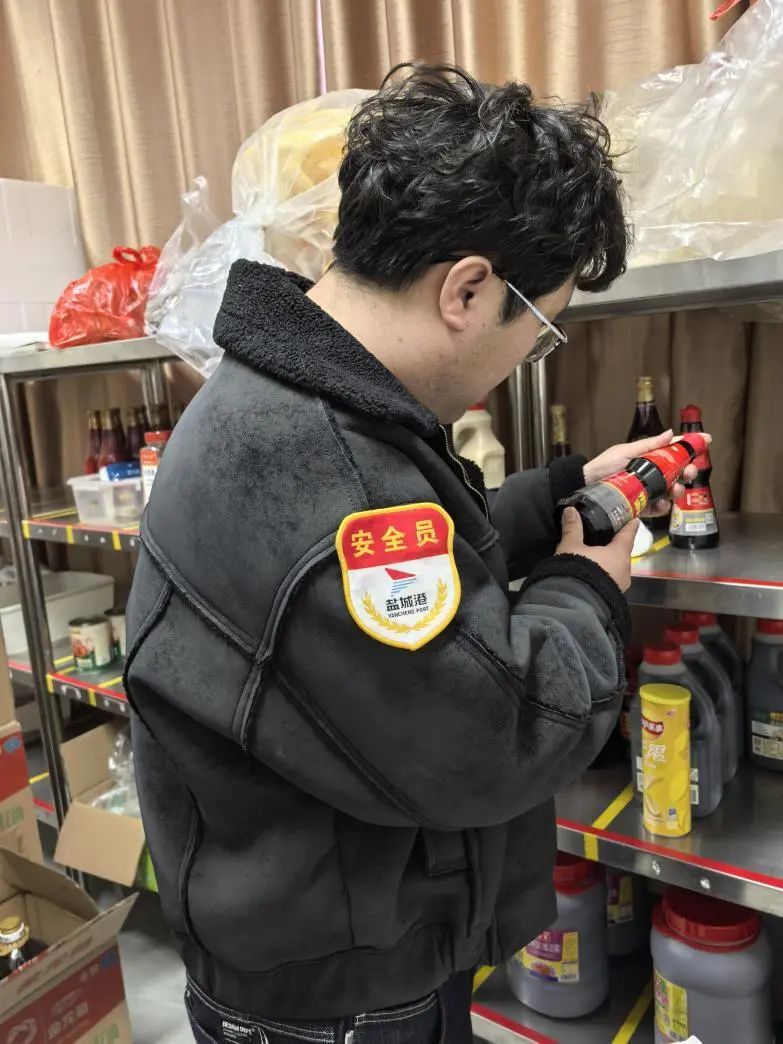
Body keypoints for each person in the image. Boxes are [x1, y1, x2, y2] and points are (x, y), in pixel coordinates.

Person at [125, 64, 699, 1044]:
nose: (526, 357)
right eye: (541, 330)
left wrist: (562, 491)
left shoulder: (303, 406)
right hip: (336, 1003)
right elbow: (498, 740)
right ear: (467, 289)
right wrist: (585, 582)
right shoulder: (323, 469)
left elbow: (424, 555)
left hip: (326, 944)